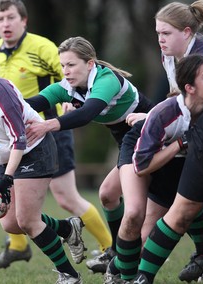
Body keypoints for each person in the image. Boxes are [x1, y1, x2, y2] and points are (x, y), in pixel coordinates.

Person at [0, 39, 85, 284]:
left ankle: (69, 275)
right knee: (10, 222)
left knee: (28, 221)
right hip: (4, 156)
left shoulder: (0, 91)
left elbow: (19, 138)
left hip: (33, 149)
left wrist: (8, 177)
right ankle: (66, 228)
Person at [0, 0, 112, 270]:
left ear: (24, 20)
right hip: (16, 136)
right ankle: (18, 247)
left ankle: (110, 248)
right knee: (10, 197)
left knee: (66, 197)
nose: (5, 24)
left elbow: (72, 74)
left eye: (11, 18)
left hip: (47, 132)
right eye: (0, 19)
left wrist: (71, 101)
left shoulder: (42, 47)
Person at [104, 56, 203, 284]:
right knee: (133, 216)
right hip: (142, 153)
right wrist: (179, 144)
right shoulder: (165, 114)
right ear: (189, 88)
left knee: (187, 203)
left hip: (177, 156)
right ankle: (118, 269)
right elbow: (142, 166)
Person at [25, 36, 155, 273]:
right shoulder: (69, 86)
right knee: (108, 195)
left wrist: (47, 125)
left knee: (173, 206)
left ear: (90, 63)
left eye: (71, 65)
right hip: (130, 143)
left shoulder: (106, 80)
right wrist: (0, 104)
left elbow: (87, 113)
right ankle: (118, 253)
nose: (66, 71)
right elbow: (33, 103)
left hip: (153, 138)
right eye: (63, 65)